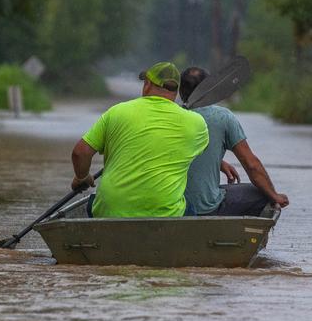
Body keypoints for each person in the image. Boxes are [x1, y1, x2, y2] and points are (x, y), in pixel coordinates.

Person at [70, 61, 209, 217]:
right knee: (192, 210)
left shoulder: (117, 112)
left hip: (110, 212)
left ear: (148, 84)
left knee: (94, 203)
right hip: (166, 215)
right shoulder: (197, 123)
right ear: (175, 92)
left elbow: (80, 153)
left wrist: (81, 177)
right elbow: (201, 154)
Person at [179, 66, 289, 216]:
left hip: (173, 206)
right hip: (206, 208)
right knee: (263, 194)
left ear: (180, 91)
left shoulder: (171, 117)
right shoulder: (222, 117)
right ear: (209, 88)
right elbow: (251, 165)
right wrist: (274, 195)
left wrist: (218, 162)